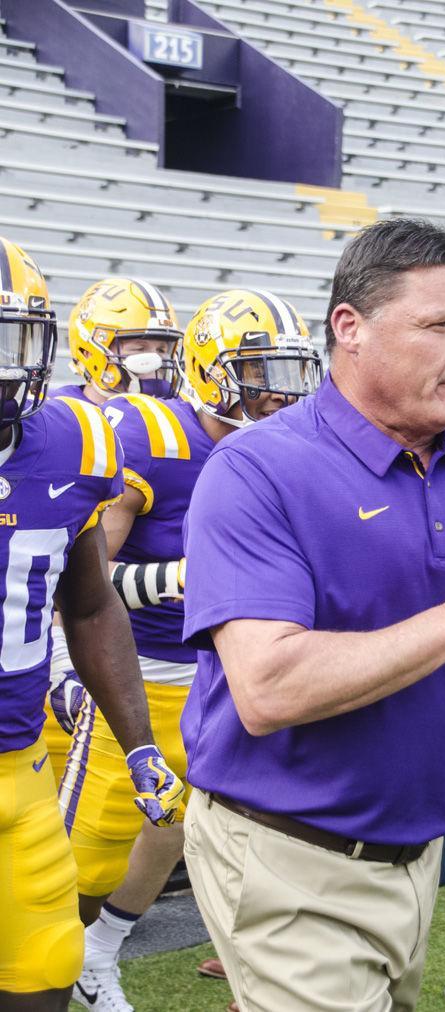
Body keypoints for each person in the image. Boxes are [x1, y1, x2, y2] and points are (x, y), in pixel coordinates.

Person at [180, 218, 445, 1012]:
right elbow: (268, 688)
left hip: (412, 855)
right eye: (441, 325)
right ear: (350, 329)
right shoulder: (258, 468)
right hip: (289, 850)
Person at [56, 288, 321, 1012]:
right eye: (261, 370)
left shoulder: (289, 449)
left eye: (291, 372)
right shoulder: (152, 440)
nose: (280, 392)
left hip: (232, 668)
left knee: (188, 823)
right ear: (211, 370)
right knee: (89, 848)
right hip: (138, 669)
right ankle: (52, 960)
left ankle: (101, 952)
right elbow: (80, 582)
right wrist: (179, 576)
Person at [0, 238, 183, 1012]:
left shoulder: (79, 441)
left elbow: (90, 601)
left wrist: (136, 738)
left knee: (46, 959)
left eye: (11, 336)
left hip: (14, 767)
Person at [46, 277, 183, 788]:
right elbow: (70, 575)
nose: (153, 360)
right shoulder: (56, 422)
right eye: (138, 347)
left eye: (161, 347)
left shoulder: (177, 423)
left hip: (149, 652)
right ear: (94, 345)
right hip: (53, 646)